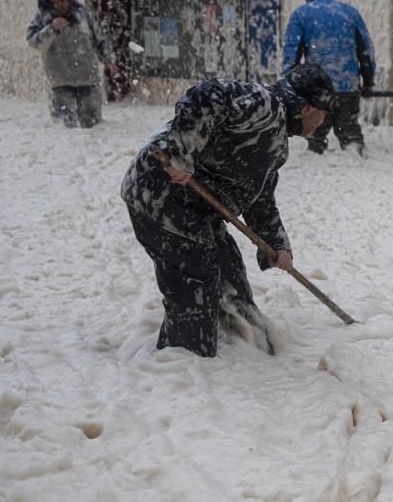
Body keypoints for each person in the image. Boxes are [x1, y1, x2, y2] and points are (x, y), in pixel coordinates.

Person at [121, 63, 335, 357]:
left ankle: (252, 352)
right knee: (197, 281)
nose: (322, 123)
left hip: (196, 209)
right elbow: (204, 96)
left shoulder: (277, 142)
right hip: (160, 195)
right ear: (310, 108)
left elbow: (260, 198)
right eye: (324, 114)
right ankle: (181, 365)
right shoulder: (265, 106)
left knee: (230, 277)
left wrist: (275, 244)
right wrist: (180, 154)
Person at [282, 0, 375, 157]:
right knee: (349, 129)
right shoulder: (349, 13)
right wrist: (368, 81)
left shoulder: (301, 15)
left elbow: (291, 55)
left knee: (316, 133)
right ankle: (358, 161)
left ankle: (317, 161)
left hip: (318, 89)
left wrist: (290, 85)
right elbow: (366, 51)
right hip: (347, 85)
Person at [26, 0, 116, 128]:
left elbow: (100, 38)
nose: (65, 4)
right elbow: (33, 41)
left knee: (95, 129)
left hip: (87, 79)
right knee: (64, 130)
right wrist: (51, 29)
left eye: (68, 0)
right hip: (60, 82)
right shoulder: (41, 17)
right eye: (60, 0)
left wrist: (108, 59)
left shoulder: (82, 14)